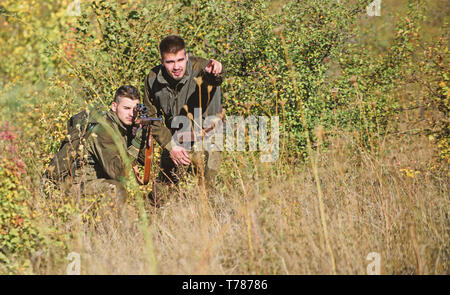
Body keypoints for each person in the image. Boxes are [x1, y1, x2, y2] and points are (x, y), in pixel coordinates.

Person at [142, 35, 225, 188]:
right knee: (160, 194)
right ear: (162, 62)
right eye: (170, 62)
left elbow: (215, 79)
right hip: (177, 141)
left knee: (209, 193)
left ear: (186, 56)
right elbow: (150, 118)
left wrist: (216, 71)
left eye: (180, 60)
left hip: (206, 139)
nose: (176, 67)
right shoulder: (152, 79)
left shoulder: (201, 67)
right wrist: (170, 145)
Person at [44, 85, 146, 208]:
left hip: (93, 183)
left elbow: (143, 160)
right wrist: (136, 143)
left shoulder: (123, 127)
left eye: (135, 109)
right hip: (75, 185)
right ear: (114, 106)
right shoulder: (103, 130)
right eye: (126, 108)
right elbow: (117, 173)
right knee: (116, 190)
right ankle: (107, 227)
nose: (131, 113)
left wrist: (143, 134)